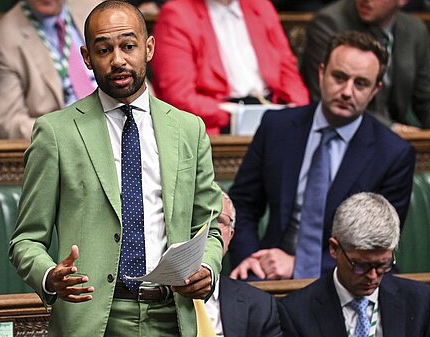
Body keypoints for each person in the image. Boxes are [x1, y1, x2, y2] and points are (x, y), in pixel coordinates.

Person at [9, 1, 224, 336]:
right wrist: (50, 276)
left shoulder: (189, 129)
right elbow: (26, 240)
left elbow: (209, 226)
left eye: (128, 46)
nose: (118, 60)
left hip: (173, 315)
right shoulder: (56, 133)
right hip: (94, 319)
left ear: (148, 48)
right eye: (104, 49)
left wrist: (208, 268)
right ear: (86, 57)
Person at [228, 31, 415, 281]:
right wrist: (252, 260)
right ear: (321, 73)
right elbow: (242, 206)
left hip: (351, 279)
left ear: (375, 90)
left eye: (361, 83)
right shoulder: (277, 127)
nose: (347, 92)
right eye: (339, 77)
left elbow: (376, 244)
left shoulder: (393, 154)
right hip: (270, 275)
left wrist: (299, 265)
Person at [278, 192, 430, 337]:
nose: (372, 276)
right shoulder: (296, 313)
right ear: (334, 248)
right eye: (361, 266)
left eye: (383, 265)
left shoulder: (420, 302)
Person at [150, 0, 309, 135]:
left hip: (272, 112)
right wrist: (236, 115)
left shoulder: (261, 6)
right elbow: (179, 98)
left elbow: (289, 73)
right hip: (217, 123)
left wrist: (296, 110)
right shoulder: (177, 14)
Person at [300, 0, 430, 131]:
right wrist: (394, 129)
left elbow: (425, 98)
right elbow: (326, 97)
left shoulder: (415, 30)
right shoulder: (329, 23)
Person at [0, 0, 101, 139]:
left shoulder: (97, 8)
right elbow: (11, 124)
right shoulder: (0, 41)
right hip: (70, 142)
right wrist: (71, 134)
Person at [204, 192, 283, 337]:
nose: (209, 228)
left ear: (230, 236)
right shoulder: (153, 296)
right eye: (200, 217)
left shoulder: (260, 307)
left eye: (219, 220)